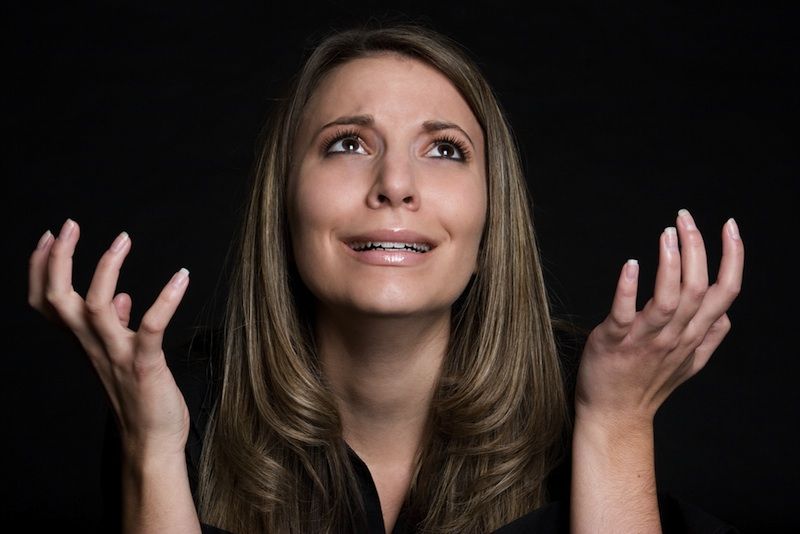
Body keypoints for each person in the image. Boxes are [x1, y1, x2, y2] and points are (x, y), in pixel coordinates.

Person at [27, 23, 744, 533]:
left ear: (493, 210)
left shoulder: (598, 392)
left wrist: (617, 426)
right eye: (347, 144)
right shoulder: (180, 407)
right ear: (283, 199)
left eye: (444, 150)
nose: (395, 184)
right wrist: (150, 448)